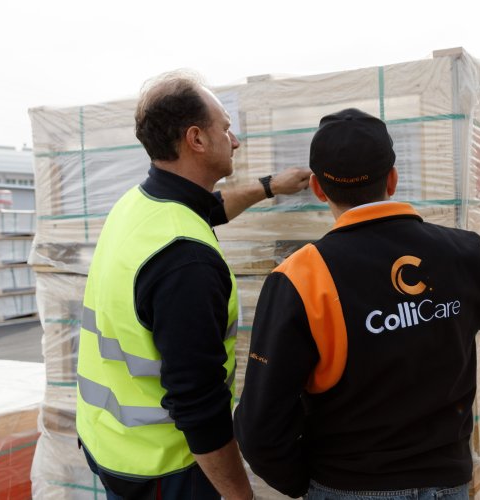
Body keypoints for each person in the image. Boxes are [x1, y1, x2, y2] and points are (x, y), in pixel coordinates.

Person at [234, 108, 480, 499]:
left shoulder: (301, 277)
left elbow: (259, 427)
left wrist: (303, 483)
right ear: (392, 179)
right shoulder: (462, 251)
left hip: (348, 485)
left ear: (320, 189)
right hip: (449, 484)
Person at [75, 70, 310, 500]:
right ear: (196, 139)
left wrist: (270, 186)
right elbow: (198, 404)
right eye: (225, 127)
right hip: (166, 467)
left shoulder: (139, 205)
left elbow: (209, 209)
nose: (235, 140)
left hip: (110, 444)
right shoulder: (186, 261)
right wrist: (240, 495)